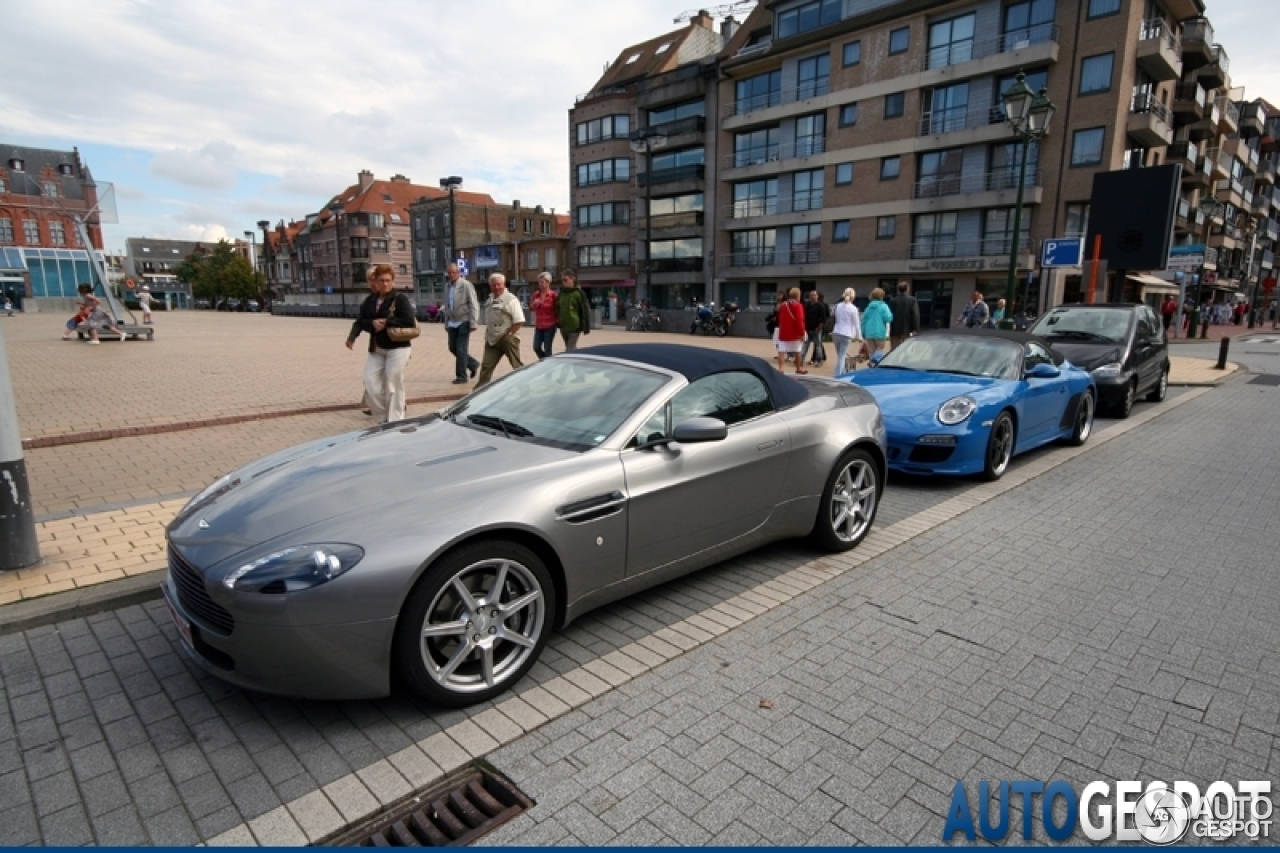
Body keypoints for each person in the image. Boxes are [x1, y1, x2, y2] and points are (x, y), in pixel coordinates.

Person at [345, 264, 415, 423]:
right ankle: (383, 417)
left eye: (388, 280)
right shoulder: (370, 301)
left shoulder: (399, 298)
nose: (384, 284)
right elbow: (361, 321)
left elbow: (408, 320)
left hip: (398, 347)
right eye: (381, 280)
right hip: (377, 348)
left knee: (393, 385)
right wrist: (354, 336)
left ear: (393, 281)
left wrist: (387, 322)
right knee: (369, 381)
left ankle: (395, 420)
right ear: (375, 281)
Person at [475, 273, 525, 388]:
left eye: (499, 284)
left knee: (516, 365)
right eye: (494, 285)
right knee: (486, 367)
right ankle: (478, 391)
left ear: (503, 284)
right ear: (490, 286)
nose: (496, 287)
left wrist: (509, 335)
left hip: (507, 339)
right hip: (492, 340)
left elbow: (520, 320)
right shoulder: (490, 299)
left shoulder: (511, 300)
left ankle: (525, 388)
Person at [442, 262, 480, 385]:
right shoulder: (448, 286)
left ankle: (461, 376)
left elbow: (473, 303)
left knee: (461, 349)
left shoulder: (466, 285)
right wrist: (446, 323)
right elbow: (447, 305)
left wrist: (473, 322)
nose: (452, 275)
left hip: (464, 320)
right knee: (452, 347)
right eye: (450, 273)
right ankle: (473, 364)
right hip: (452, 322)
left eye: (454, 272)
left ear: (459, 273)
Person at [776, 287, 808, 374]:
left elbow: (780, 318)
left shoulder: (783, 305)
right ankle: (798, 368)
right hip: (795, 333)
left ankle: (781, 369)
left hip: (784, 332)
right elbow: (799, 320)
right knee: (797, 351)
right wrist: (802, 333)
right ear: (798, 296)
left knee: (781, 351)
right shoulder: (798, 305)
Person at [556, 269, 591, 350]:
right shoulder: (561, 293)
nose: (563, 282)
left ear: (573, 279)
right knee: (571, 348)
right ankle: (576, 360)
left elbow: (584, 310)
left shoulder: (578, 293)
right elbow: (557, 307)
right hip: (563, 326)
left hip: (574, 327)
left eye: (565, 280)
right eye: (562, 280)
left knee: (569, 349)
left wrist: (585, 327)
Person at [831, 288, 862, 374]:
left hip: (836, 332)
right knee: (842, 356)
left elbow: (833, 316)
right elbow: (856, 324)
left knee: (840, 355)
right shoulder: (854, 309)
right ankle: (837, 374)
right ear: (853, 297)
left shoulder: (837, 306)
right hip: (847, 334)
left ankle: (843, 372)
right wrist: (859, 336)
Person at [530, 272, 559, 360]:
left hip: (550, 326)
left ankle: (547, 366)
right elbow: (531, 308)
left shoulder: (553, 295)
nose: (540, 284)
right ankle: (545, 362)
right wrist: (534, 304)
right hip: (539, 326)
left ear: (548, 282)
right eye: (539, 282)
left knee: (547, 349)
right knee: (536, 347)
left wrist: (558, 321)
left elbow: (558, 309)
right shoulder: (536, 295)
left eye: (542, 282)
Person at [887, 279, 920, 349]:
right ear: (907, 289)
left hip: (894, 330)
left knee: (894, 350)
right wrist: (915, 329)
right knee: (907, 349)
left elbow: (890, 315)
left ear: (899, 290)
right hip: (907, 329)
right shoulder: (912, 300)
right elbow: (915, 315)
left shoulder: (893, 301)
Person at [861, 288, 893, 358]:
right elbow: (888, 318)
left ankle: (872, 364)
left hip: (869, 333)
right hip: (880, 332)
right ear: (882, 297)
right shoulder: (883, 306)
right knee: (879, 350)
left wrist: (863, 332)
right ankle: (876, 364)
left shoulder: (868, 308)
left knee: (871, 351)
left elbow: (863, 321)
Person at [803, 290, 829, 366]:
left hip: (817, 329)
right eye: (811, 295)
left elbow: (823, 318)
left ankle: (819, 360)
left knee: (818, 345)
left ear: (817, 296)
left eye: (814, 295)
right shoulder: (807, 305)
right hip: (808, 328)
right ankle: (801, 358)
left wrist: (820, 327)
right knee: (805, 344)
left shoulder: (820, 306)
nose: (812, 297)